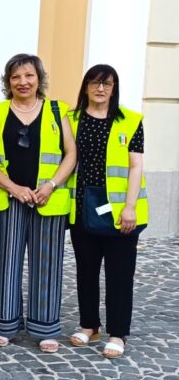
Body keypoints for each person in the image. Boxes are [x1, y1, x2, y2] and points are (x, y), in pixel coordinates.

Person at [0, 54, 76, 352]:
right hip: (9, 200)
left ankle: (45, 328)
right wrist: (14, 188)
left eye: (29, 76)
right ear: (8, 82)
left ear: (39, 78)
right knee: (7, 263)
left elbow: (70, 154)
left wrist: (51, 185)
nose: (23, 82)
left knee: (47, 264)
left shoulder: (58, 110)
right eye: (16, 77)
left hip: (49, 200)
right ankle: (5, 325)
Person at [66, 64, 147, 359]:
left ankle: (117, 333)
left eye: (107, 84)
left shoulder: (130, 121)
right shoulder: (71, 120)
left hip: (118, 211)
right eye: (95, 83)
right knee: (86, 270)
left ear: (114, 88)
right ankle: (89, 325)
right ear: (86, 86)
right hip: (82, 207)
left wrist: (130, 206)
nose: (101, 89)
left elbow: (136, 165)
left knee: (119, 273)